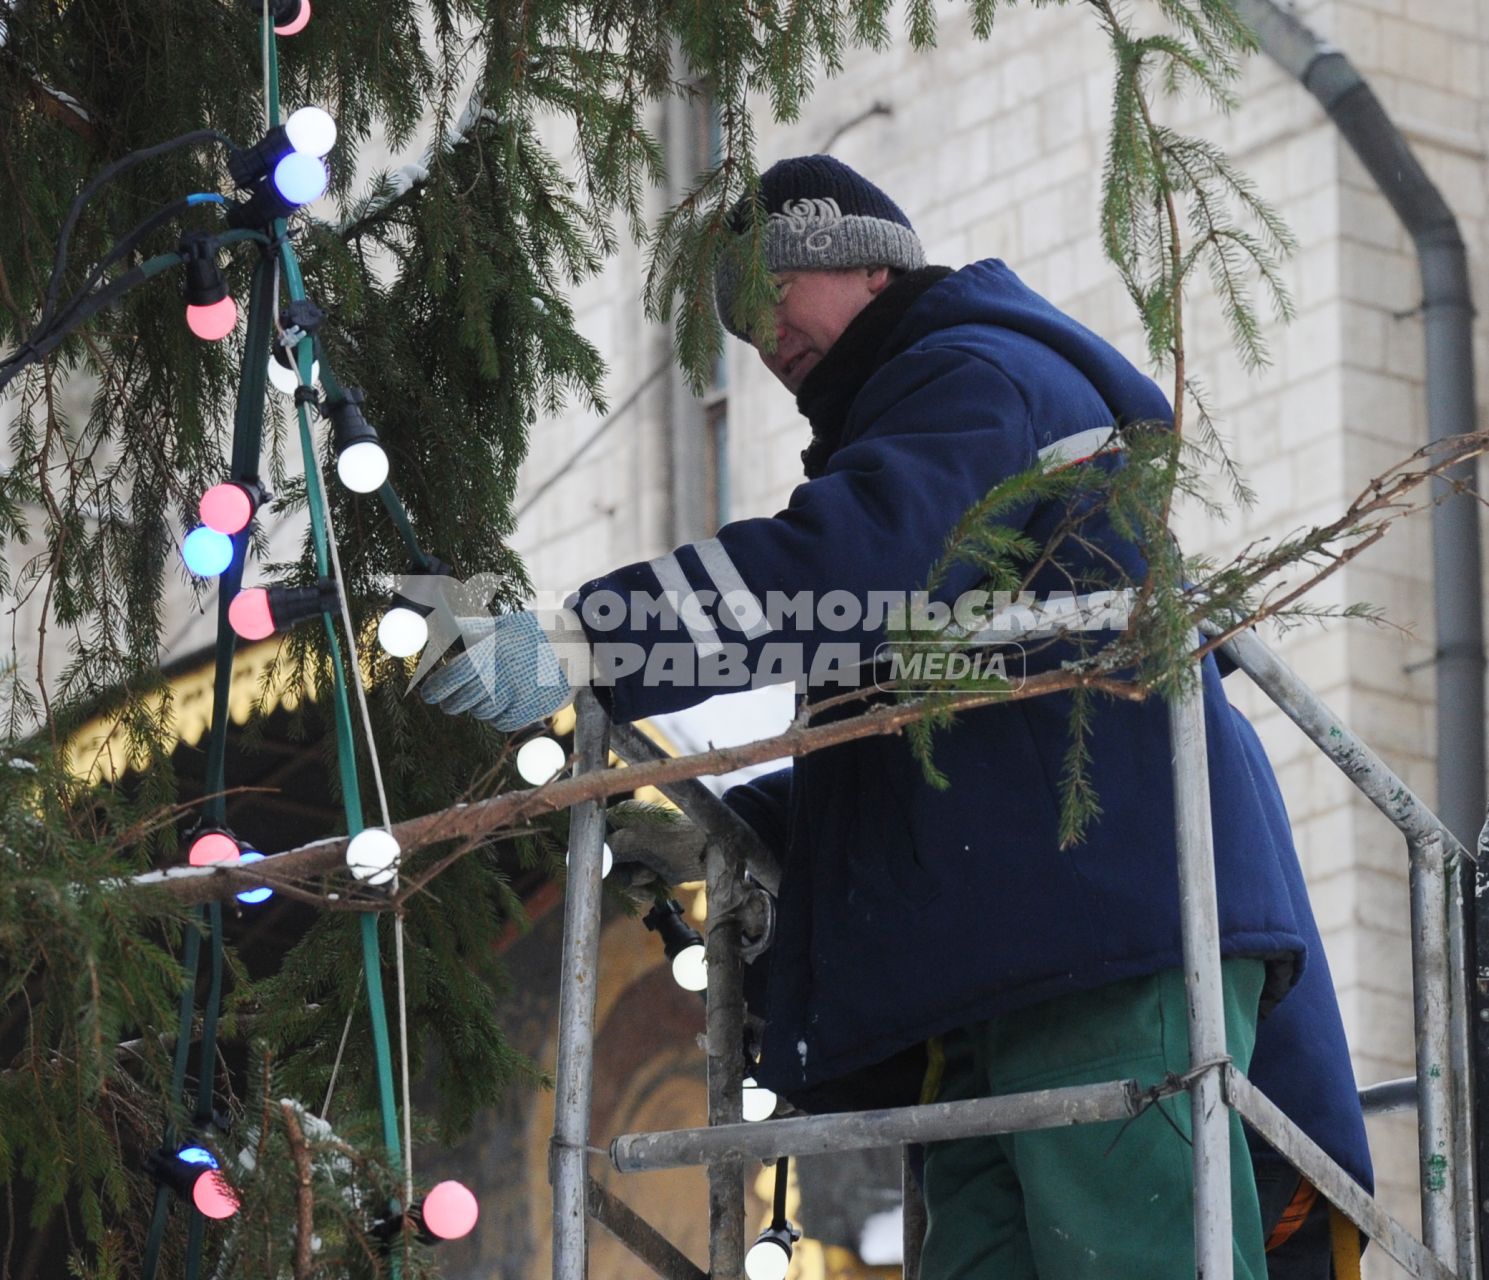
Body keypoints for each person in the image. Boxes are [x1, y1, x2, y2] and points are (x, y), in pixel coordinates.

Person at [423, 154, 1371, 1277]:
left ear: (871, 264)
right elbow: (938, 721)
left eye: (774, 288)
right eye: (737, 318)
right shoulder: (949, 410)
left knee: (1132, 1245)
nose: (763, 334)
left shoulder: (971, 373)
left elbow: (858, 561)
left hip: (1099, 917)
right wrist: (750, 829)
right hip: (1016, 944)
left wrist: (591, 638)